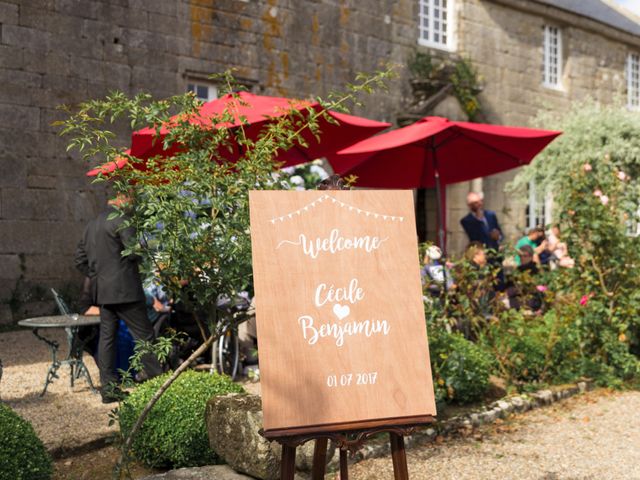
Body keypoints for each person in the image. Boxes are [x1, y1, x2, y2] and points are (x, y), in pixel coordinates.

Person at [75, 193, 163, 403]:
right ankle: (158, 387)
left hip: (103, 293)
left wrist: (99, 277)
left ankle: (109, 390)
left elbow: (79, 260)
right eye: (131, 199)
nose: (133, 204)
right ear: (121, 198)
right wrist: (143, 250)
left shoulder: (91, 225)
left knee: (107, 339)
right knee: (145, 336)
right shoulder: (122, 219)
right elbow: (133, 252)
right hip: (125, 291)